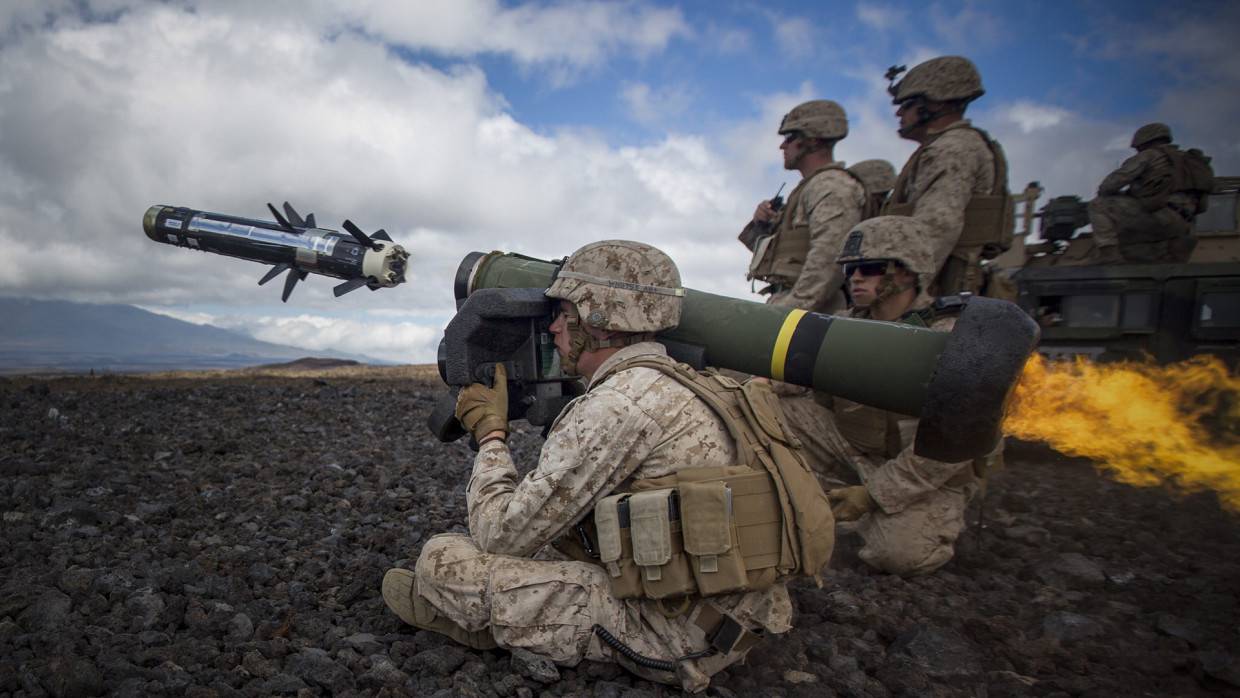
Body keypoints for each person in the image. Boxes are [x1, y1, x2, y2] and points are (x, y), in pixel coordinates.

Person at [382, 240, 833, 693]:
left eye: (564, 313)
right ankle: (510, 623)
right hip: (736, 612)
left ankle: (492, 625)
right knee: (550, 541)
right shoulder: (694, 382)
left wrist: (491, 435)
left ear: (597, 319)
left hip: (674, 634)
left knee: (444, 560)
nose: (555, 327)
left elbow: (500, 534)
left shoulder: (619, 405)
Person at [778, 216, 995, 576]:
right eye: (850, 269)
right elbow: (792, 379)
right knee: (768, 407)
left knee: (898, 556)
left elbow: (954, 444)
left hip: (920, 469)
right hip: (856, 449)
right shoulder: (844, 324)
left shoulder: (951, 336)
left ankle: (873, 515)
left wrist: (873, 495)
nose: (856, 278)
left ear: (907, 273)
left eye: (871, 268)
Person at [883, 56, 1013, 296]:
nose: (899, 112)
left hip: (939, 290)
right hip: (937, 286)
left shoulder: (951, 150)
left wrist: (898, 296)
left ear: (934, 104)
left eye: (908, 103)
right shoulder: (949, 147)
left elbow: (935, 228)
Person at [739, 100, 866, 314]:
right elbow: (782, 258)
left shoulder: (831, 186)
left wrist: (791, 311)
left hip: (811, 311)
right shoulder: (810, 188)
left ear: (812, 141)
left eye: (790, 138)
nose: (782, 146)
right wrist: (762, 225)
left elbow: (829, 259)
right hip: (792, 303)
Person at [1088, 123, 1215, 263]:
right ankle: (1166, 252)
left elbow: (1108, 186)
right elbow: (1203, 207)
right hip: (1186, 225)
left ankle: (1109, 254)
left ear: (1143, 141)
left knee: (1098, 205)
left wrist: (1124, 195)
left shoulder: (1149, 155)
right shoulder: (1190, 162)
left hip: (1159, 216)